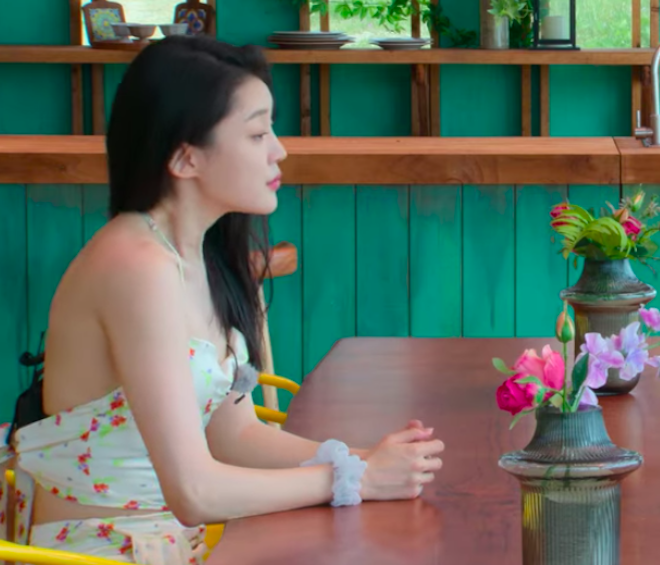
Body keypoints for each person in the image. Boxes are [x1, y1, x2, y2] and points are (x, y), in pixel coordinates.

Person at [0, 36, 444, 563]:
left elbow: (234, 437)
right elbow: (195, 493)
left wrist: (362, 459)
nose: (279, 150)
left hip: (182, 538)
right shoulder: (135, 267)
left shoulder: (199, 255)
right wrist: (352, 479)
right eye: (257, 133)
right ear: (185, 158)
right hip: (108, 549)